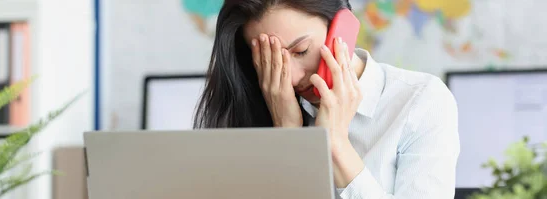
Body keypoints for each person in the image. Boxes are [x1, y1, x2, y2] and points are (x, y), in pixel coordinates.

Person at [193, 0, 460, 198]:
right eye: (271, 62)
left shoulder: (421, 101)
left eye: (301, 51)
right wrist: (288, 137)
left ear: (342, 28)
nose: (293, 78)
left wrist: (335, 146)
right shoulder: (259, 107)